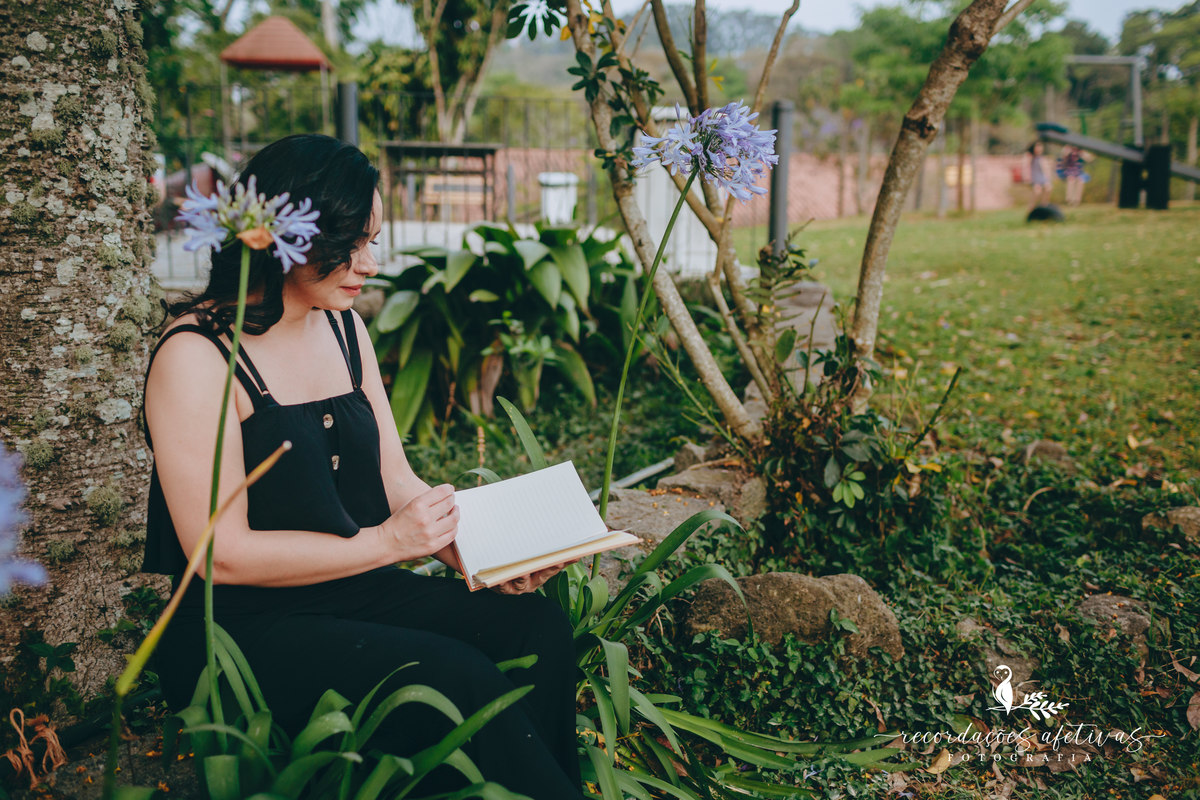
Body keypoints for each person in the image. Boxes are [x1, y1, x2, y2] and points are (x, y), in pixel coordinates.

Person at [141, 134, 585, 799]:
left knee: (537, 628)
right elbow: (218, 553)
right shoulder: (198, 355)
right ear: (277, 236)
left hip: (354, 591)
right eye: (351, 243)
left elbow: (394, 478)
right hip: (242, 628)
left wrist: (470, 555)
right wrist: (385, 543)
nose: (369, 263)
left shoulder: (345, 328)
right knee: (447, 675)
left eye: (373, 240)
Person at [1027, 140, 1051, 208]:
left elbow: (1045, 169)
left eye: (1040, 146)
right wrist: (1028, 178)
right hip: (1035, 177)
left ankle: (1044, 205)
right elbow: (1027, 167)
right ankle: (1031, 207)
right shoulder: (1031, 157)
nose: (1039, 148)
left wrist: (1048, 177)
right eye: (1037, 146)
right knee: (1037, 192)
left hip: (1042, 176)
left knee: (1048, 188)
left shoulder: (1042, 157)